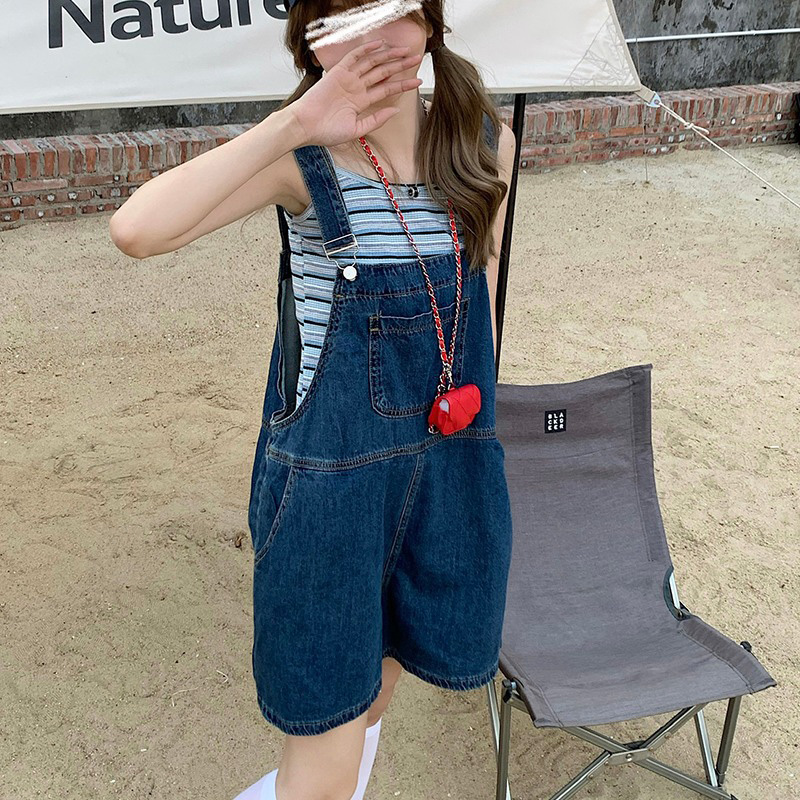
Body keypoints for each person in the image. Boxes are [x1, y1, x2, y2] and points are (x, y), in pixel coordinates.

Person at [109, 0, 517, 797]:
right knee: (326, 738)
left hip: (445, 472)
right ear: (312, 43)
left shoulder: (486, 144)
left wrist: (474, 441)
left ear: (429, 23)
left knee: (377, 693)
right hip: (331, 494)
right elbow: (137, 230)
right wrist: (297, 121)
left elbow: (483, 309)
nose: (373, 40)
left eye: (393, 11)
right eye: (342, 21)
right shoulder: (303, 161)